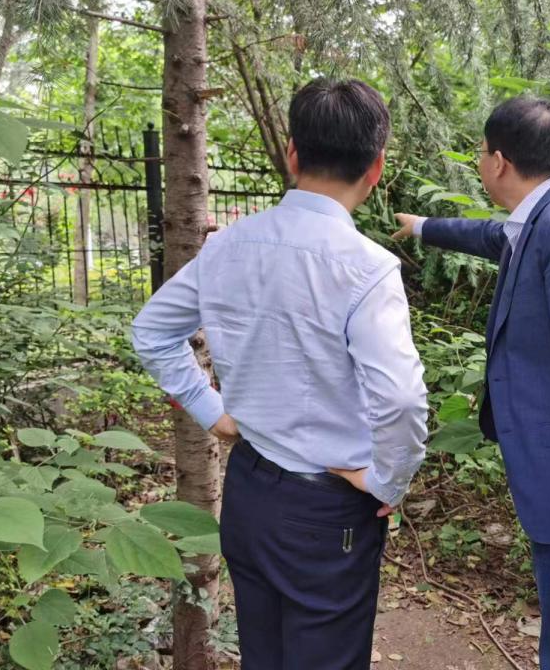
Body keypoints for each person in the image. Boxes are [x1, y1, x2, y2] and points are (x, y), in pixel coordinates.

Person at [131, 78, 429, 670]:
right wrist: (387, 482)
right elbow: (400, 400)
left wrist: (212, 411)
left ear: (292, 153)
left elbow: (151, 331)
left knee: (263, 655)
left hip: (249, 492)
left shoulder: (229, 246)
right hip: (327, 509)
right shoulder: (367, 269)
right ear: (376, 167)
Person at [393, 96, 550, 670]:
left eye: (481, 152)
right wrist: (424, 227)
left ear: (499, 161)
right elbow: (492, 236)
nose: (481, 161)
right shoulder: (543, 216)